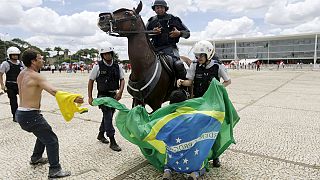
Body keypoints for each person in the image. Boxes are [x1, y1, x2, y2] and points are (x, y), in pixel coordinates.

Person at [16, 49, 84, 178]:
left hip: (21, 113)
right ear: (33, 61)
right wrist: (73, 98)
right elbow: (53, 91)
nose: (43, 60)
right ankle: (55, 170)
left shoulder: (22, 74)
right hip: (31, 115)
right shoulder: (37, 76)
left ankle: (36, 157)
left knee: (43, 132)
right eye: (40, 58)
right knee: (52, 140)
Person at [176, 40, 231, 168]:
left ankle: (216, 156)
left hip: (214, 103)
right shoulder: (194, 65)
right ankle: (199, 154)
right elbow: (189, 82)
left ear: (209, 54)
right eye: (197, 55)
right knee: (198, 130)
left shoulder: (218, 66)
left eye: (201, 55)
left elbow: (227, 81)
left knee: (214, 131)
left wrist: (218, 89)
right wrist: (181, 82)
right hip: (199, 103)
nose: (198, 58)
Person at [88, 46, 125, 152]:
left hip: (114, 96)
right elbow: (90, 81)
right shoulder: (97, 67)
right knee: (108, 116)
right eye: (105, 54)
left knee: (108, 116)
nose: (107, 55)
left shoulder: (117, 66)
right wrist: (90, 97)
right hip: (103, 97)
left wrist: (120, 92)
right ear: (102, 55)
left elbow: (122, 80)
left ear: (112, 54)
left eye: (109, 53)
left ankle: (100, 134)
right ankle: (112, 140)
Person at [146, 0, 190, 80]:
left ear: (165, 8)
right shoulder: (151, 21)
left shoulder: (174, 19)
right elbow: (144, 36)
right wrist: (152, 32)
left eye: (161, 7)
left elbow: (187, 33)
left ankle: (182, 86)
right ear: (154, 9)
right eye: (157, 7)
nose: (159, 9)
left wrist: (179, 33)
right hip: (154, 49)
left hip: (170, 49)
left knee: (178, 65)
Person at [0, 46, 24, 122]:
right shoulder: (5, 64)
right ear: (9, 55)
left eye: (16, 55)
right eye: (13, 55)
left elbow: (25, 73)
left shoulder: (21, 63)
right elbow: (0, 74)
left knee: (24, 100)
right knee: (13, 101)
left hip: (20, 85)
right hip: (10, 85)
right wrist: (2, 85)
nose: (15, 56)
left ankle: (24, 114)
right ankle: (15, 116)